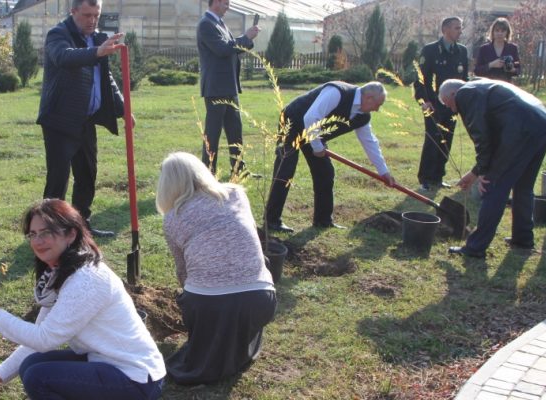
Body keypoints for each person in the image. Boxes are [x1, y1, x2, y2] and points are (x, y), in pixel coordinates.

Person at [0, 199, 166, 400]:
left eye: (46, 233)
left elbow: (44, 338)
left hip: (136, 379)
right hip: (105, 361)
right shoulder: (61, 272)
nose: (38, 241)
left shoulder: (86, 280)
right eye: (33, 234)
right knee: (31, 365)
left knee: (38, 377)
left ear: (71, 234)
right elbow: (38, 342)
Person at [156, 152, 277, 385]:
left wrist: (193, 301)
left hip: (206, 305)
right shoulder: (235, 194)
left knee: (210, 306)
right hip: (259, 300)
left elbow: (182, 270)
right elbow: (249, 239)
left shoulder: (172, 218)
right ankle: (240, 343)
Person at [38, 0, 128, 238]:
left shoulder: (97, 38)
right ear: (73, 11)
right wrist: (97, 52)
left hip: (86, 120)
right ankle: (48, 231)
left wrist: (124, 110)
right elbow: (63, 57)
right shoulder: (59, 34)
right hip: (60, 120)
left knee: (87, 175)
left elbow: (105, 77)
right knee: (58, 180)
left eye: (96, 15)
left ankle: (80, 226)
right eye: (87, 15)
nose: (92, 20)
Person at [439, 79, 546, 259]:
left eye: (448, 103)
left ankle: (475, 247)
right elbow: (493, 134)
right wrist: (476, 172)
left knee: (494, 187)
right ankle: (523, 239)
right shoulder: (481, 87)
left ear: (453, 94)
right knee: (523, 186)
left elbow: (482, 137)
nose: (452, 109)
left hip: (521, 130)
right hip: (543, 124)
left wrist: (483, 172)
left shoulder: (465, 94)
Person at [264, 81, 396, 233]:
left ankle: (323, 220)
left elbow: (370, 142)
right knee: (285, 170)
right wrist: (318, 147)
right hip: (292, 123)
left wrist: (383, 171)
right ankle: (272, 221)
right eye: (378, 104)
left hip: (314, 132)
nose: (377, 109)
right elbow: (310, 117)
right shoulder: (338, 92)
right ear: (369, 98)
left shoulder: (362, 116)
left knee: (325, 172)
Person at [197, 0, 260, 175]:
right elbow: (222, 49)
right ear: (215, 2)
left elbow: (230, 47)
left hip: (229, 86)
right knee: (213, 134)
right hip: (216, 88)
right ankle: (208, 173)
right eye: (225, 3)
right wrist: (245, 38)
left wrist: (248, 39)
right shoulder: (206, 25)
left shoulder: (219, 23)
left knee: (235, 130)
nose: (228, 6)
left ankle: (239, 169)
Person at [414, 16, 469, 192]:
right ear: (445, 29)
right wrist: (424, 101)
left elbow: (464, 79)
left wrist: (463, 103)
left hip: (452, 105)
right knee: (433, 140)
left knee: (447, 140)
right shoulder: (430, 50)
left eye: (460, 28)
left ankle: (438, 176)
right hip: (433, 104)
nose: (460, 31)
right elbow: (421, 80)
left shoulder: (462, 51)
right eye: (456, 28)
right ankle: (426, 178)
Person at [474, 18, 520, 82]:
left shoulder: (512, 48)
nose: (500, 33)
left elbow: (519, 70)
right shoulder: (484, 49)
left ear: (507, 32)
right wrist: (491, 65)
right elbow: (477, 71)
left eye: (503, 31)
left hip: (506, 86)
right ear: (492, 32)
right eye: (497, 30)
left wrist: (512, 69)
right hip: (488, 85)